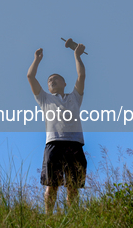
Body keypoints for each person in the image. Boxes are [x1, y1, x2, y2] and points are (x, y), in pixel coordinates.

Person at [27, 38, 87, 214]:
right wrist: (37, 60)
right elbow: (30, 76)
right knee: (52, 185)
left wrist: (77, 56)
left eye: (56, 78)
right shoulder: (45, 98)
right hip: (53, 143)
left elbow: (81, 76)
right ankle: (48, 217)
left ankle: (73, 216)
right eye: (49, 80)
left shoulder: (74, 97)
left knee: (72, 186)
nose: (51, 80)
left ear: (64, 83)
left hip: (75, 143)